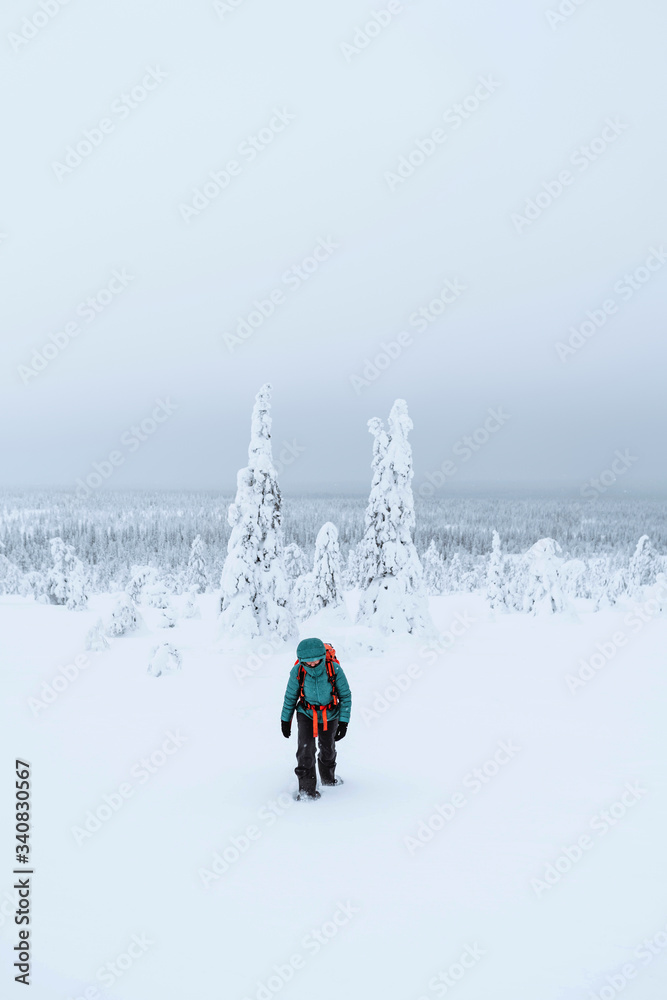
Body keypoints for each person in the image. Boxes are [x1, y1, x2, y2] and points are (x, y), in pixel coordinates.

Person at [281, 637, 351, 800]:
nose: (312, 664)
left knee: (327, 749)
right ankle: (307, 791)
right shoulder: (298, 671)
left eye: (315, 661)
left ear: (322, 657)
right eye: (307, 662)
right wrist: (286, 720)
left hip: (330, 714)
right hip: (306, 714)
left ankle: (328, 780)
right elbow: (290, 697)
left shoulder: (334, 669)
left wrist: (343, 722)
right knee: (306, 750)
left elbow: (345, 695)